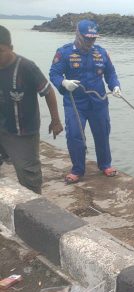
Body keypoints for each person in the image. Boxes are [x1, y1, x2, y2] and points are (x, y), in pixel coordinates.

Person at [49, 19, 120, 184]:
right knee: (75, 134)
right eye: (87, 38)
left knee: (102, 133)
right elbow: (54, 73)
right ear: (78, 34)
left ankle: (105, 164)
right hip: (75, 102)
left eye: (93, 38)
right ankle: (77, 169)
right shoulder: (64, 52)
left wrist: (115, 86)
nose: (90, 41)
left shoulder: (101, 53)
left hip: (99, 101)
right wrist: (63, 83)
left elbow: (111, 73)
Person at [0, 25, 63, 194]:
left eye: (1, 51)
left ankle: (34, 207)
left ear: (11, 49)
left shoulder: (27, 67)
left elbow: (48, 92)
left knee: (29, 175)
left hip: (23, 130)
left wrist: (55, 120)